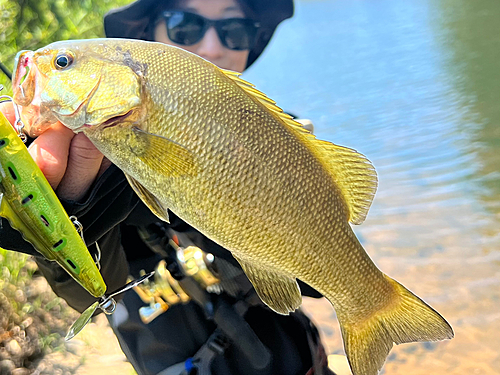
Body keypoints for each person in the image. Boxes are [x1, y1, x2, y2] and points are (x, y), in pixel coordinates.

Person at [0, 0, 333, 374]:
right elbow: (89, 295)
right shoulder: (110, 149)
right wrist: (58, 223)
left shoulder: (281, 137)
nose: (211, 46)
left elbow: (321, 277)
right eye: (185, 27)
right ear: (150, 36)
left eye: (235, 31)